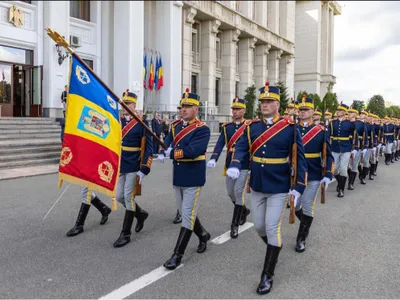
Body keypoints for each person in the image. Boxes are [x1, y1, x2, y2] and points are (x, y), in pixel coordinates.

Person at [226, 81, 307, 294]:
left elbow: (300, 157)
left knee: (271, 227)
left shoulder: (290, 127)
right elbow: (242, 147)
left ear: (277, 104)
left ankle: (267, 275)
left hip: (280, 185)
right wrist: (235, 164)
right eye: (262, 101)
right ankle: (274, 248)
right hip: (259, 184)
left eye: (269, 101)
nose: (264, 104)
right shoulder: (253, 127)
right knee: (259, 226)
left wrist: (298, 186)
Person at [158, 88, 211, 270]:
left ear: (196, 109)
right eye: (182, 106)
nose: (184, 110)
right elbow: (168, 140)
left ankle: (177, 254)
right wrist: (162, 150)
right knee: (186, 211)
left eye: (188, 107)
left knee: (186, 215)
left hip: (193, 176)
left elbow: (194, 150)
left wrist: (172, 153)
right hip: (178, 175)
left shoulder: (203, 129)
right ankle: (203, 234)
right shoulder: (175, 125)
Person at [113, 90, 153, 248]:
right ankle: (141, 214)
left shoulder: (142, 122)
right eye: (123, 104)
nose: (125, 107)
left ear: (134, 105)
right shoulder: (118, 121)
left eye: (128, 104)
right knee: (119, 197)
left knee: (128, 198)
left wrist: (144, 168)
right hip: (121, 163)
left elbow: (149, 147)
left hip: (134, 164)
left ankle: (125, 233)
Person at [207, 96, 251, 238]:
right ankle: (243, 210)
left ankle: (235, 224)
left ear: (244, 111)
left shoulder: (249, 126)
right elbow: (220, 144)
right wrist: (214, 157)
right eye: (233, 109)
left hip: (243, 163)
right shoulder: (227, 128)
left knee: (238, 192)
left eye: (238, 109)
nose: (234, 112)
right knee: (230, 193)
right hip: (229, 163)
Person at [295, 95, 334, 252]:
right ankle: (306, 220)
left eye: (306, 110)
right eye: (301, 110)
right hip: (295, 172)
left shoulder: (321, 131)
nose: (303, 112)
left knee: (307, 205)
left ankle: (301, 237)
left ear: (312, 111)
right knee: (295, 204)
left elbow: (328, 154)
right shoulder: (291, 128)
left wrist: (328, 173)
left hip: (313, 172)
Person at [329, 102, 355, 198]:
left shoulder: (349, 123)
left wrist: (353, 147)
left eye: (340, 110)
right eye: (338, 110)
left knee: (343, 169)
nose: (338, 111)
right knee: (335, 170)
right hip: (335, 147)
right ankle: (340, 183)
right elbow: (330, 136)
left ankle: (341, 190)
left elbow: (353, 135)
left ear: (344, 112)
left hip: (346, 148)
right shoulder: (333, 123)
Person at [347, 106, 367, 190]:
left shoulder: (361, 124)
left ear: (355, 114)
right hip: (346, 147)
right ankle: (344, 182)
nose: (349, 114)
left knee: (354, 166)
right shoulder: (345, 122)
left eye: (351, 113)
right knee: (348, 167)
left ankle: (350, 183)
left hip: (356, 147)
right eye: (349, 112)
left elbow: (364, 136)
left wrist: (364, 147)